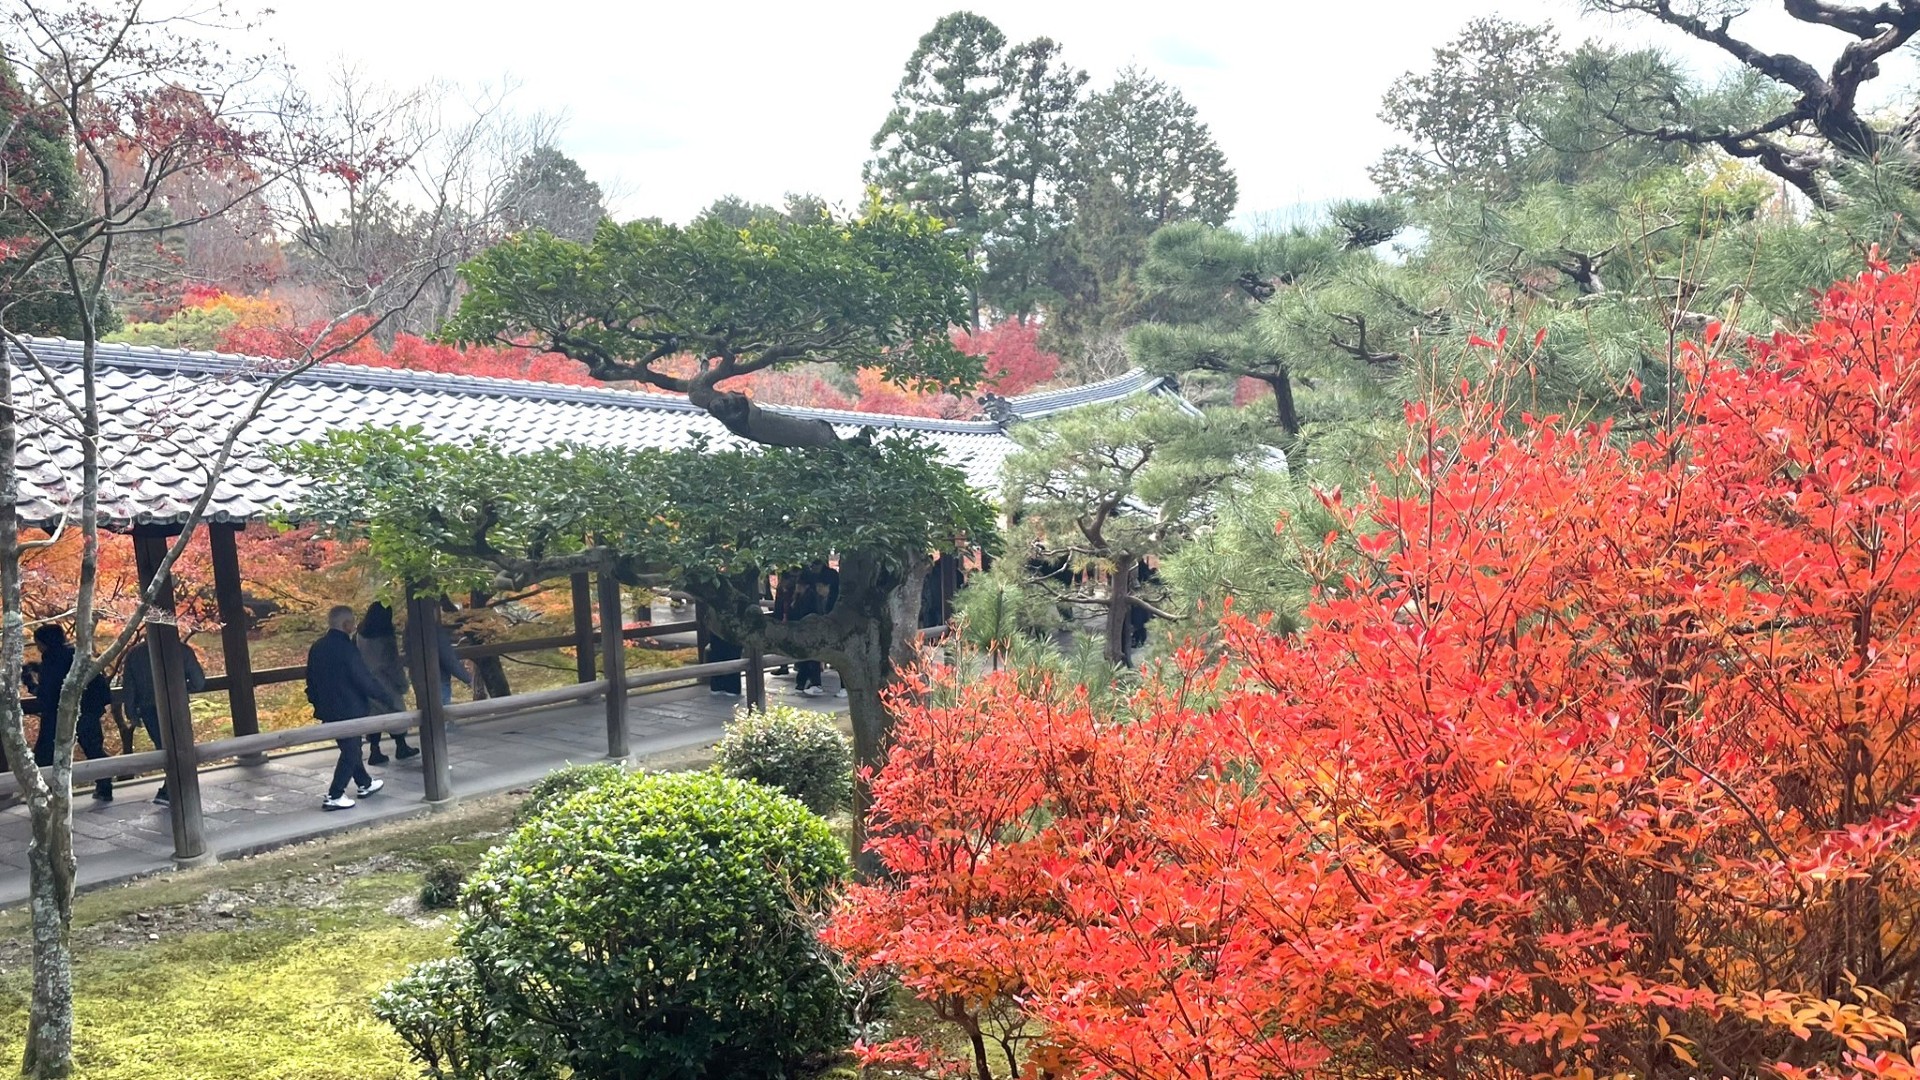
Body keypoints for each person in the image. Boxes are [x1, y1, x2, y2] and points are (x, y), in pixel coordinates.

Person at [306, 605, 399, 811]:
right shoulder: (347, 648)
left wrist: (316, 702)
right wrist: (384, 697)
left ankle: (364, 782)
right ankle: (335, 794)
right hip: (350, 707)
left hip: (328, 707)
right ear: (346, 624)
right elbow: (363, 679)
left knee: (350, 747)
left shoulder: (317, 647)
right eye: (352, 622)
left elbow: (310, 680)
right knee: (350, 750)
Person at [25, 624, 115, 801]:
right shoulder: (80, 655)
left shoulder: (51, 660)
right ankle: (105, 787)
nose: (38, 647)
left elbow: (48, 695)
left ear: (45, 643)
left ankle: (47, 795)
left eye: (38, 643)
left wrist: (30, 684)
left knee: (45, 755)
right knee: (93, 749)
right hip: (88, 711)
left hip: (59, 716)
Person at [119, 634, 207, 806]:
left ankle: (171, 789)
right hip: (177, 705)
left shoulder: (135, 654)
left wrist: (131, 712)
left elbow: (128, 686)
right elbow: (199, 682)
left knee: (163, 747)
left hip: (149, 708)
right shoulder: (182, 650)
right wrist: (183, 688)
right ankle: (175, 789)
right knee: (181, 746)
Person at [355, 602, 416, 765]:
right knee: (396, 713)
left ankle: (375, 750)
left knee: (373, 716)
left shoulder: (360, 634)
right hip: (385, 682)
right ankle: (401, 746)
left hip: (366, 681)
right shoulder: (385, 637)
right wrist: (402, 683)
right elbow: (392, 664)